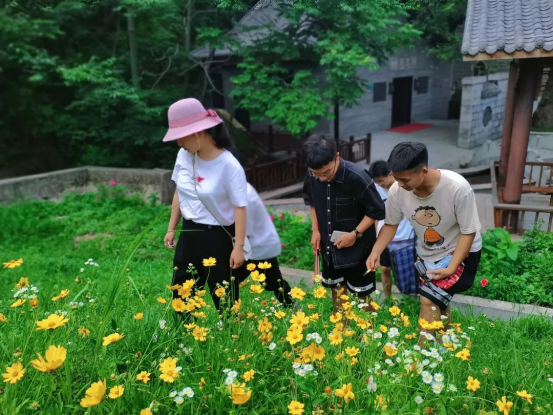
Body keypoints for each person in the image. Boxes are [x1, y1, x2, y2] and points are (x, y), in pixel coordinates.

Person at [366, 142, 481, 336]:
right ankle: (445, 345)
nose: (400, 184)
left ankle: (422, 352)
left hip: (461, 253)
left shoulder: (458, 188)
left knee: (428, 300)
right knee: (439, 303)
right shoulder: (397, 191)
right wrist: (376, 251)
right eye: (396, 178)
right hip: (427, 253)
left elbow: (468, 232)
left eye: (405, 180)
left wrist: (452, 267)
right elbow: (391, 225)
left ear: (424, 171)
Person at [162, 98, 248, 314]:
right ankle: (185, 332)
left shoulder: (229, 165)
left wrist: (238, 248)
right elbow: (179, 191)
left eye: (180, 136)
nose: (178, 142)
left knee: (225, 297)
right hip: (189, 232)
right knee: (182, 292)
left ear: (197, 132)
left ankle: (230, 332)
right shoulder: (183, 155)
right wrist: (172, 228)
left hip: (218, 236)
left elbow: (240, 208)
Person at [302, 134, 385, 310]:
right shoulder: (311, 174)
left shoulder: (357, 177)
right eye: (317, 174)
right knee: (337, 289)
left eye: (326, 172)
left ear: (337, 157)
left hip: (358, 248)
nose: (322, 178)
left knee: (362, 295)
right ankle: (341, 325)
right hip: (329, 247)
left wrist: (355, 234)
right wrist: (315, 230)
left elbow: (376, 211)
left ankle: (368, 326)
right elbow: (312, 202)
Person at [234, 183, 293, 306]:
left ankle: (293, 306)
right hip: (245, 244)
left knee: (274, 282)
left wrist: (237, 249)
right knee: (229, 280)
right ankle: (228, 312)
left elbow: (245, 230)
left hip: (258, 245)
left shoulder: (244, 194)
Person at [368, 160, 416, 298]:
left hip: (405, 237)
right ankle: (387, 299)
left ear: (390, 174)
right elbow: (375, 215)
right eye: (376, 181)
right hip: (385, 237)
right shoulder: (376, 190)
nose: (379, 184)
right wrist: (377, 235)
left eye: (381, 180)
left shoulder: (404, 187)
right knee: (385, 269)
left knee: (408, 269)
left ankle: (411, 296)